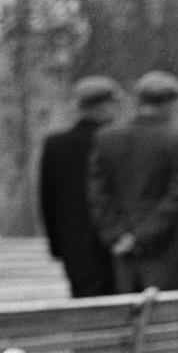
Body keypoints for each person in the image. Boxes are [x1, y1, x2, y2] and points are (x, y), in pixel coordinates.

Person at [88, 69, 178, 294]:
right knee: (165, 320)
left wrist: (117, 235)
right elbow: (177, 198)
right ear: (169, 104)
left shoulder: (106, 140)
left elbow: (98, 196)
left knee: (127, 317)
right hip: (163, 250)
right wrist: (140, 238)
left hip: (121, 251)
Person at [37, 77, 123, 299]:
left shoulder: (56, 145)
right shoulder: (117, 143)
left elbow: (48, 200)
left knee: (84, 303)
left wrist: (56, 244)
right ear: (104, 106)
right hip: (114, 240)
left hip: (73, 242)